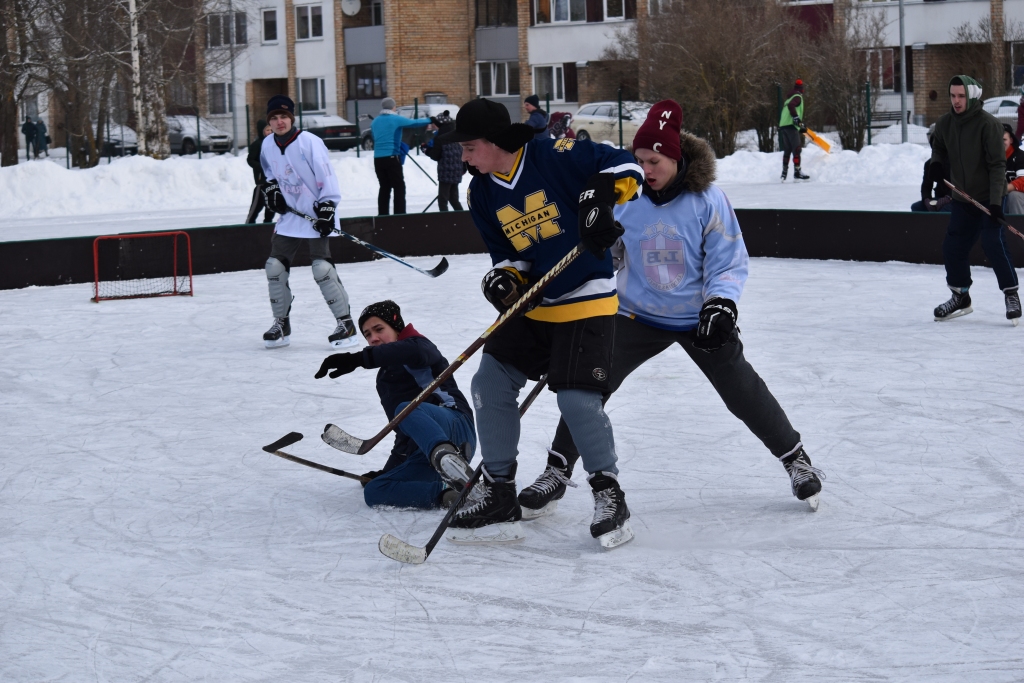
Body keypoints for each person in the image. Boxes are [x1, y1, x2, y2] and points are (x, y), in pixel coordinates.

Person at [517, 99, 826, 520]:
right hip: (633, 314)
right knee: (587, 386)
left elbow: (729, 260)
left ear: (676, 158)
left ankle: (796, 459)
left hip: (698, 318)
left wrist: (721, 305)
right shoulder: (628, 196)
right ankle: (556, 469)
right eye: (640, 159)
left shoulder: (708, 200)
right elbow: (611, 256)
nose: (646, 169)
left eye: (655, 160)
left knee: (741, 389)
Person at [434, 97, 644, 548]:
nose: (465, 158)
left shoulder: (555, 154)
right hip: (534, 304)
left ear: (494, 142)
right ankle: (499, 491)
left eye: (469, 148)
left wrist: (600, 201)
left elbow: (627, 167)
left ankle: (610, 494)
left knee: (576, 400)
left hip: (587, 298)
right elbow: (509, 257)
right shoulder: (481, 192)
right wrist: (504, 281)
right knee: (489, 385)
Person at [314, 301, 476, 509]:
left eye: (379, 329)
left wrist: (359, 359)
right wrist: (389, 472)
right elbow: (403, 431)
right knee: (375, 491)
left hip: (455, 425)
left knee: (405, 409)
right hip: (425, 451)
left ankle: (446, 458)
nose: (373, 338)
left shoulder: (418, 346)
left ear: (396, 326)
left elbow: (411, 352)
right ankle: (451, 495)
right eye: (367, 335)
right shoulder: (385, 379)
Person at [258, 95, 360, 349]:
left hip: (318, 215)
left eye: (284, 117)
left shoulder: (310, 142)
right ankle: (281, 324)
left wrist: (327, 209)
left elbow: (328, 177)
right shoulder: (267, 145)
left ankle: (345, 324)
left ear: (291, 118)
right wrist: (273, 194)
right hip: (291, 216)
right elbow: (269, 176)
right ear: (269, 121)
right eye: (274, 117)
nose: (279, 122)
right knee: (274, 267)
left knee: (321, 269)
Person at [929, 75, 1021, 325]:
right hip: (962, 198)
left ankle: (1011, 293)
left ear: (971, 97)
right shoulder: (946, 123)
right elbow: (939, 147)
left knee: (992, 241)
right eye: (953, 96)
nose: (956, 101)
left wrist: (994, 203)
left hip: (989, 195)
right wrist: (937, 164)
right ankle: (960, 296)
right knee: (953, 246)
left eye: (961, 96)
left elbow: (996, 165)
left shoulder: (988, 124)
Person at [371, 97, 431, 215]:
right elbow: (414, 123)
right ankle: (399, 215)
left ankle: (382, 215)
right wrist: (431, 119)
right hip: (392, 157)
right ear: (393, 107)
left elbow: (374, 137)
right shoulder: (395, 119)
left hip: (378, 159)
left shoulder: (375, 121)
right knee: (399, 187)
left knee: (384, 187)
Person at [911, 125, 952, 213]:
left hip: (957, 200)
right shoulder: (930, 163)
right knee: (916, 207)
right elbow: (926, 186)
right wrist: (926, 199)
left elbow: (963, 186)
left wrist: (948, 198)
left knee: (943, 211)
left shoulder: (957, 162)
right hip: (939, 198)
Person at [430, 111, 465, 211]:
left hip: (446, 173)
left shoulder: (440, 138)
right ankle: (461, 219)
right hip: (457, 171)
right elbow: (463, 152)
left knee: (443, 199)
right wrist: (464, 168)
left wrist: (426, 150)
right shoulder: (456, 135)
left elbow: (435, 156)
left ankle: (445, 221)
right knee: (454, 199)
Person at [779, 79, 809, 182]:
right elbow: (792, 106)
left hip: (784, 126)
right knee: (797, 149)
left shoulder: (788, 99)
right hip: (791, 126)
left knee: (787, 150)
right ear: (801, 89)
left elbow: (787, 110)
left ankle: (784, 173)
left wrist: (800, 125)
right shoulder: (797, 97)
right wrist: (796, 118)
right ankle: (797, 172)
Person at [245, 120, 275, 224]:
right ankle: (249, 223)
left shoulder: (275, 143)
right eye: (267, 130)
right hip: (262, 180)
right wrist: (261, 167)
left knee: (272, 204)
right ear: (261, 131)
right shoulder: (257, 144)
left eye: (271, 130)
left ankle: (268, 223)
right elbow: (250, 160)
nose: (270, 132)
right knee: (257, 204)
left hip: (274, 181)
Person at [1001, 123, 1024, 215]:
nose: (1000, 142)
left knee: (1014, 196)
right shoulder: (988, 157)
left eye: (1004, 139)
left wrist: (1004, 189)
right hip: (998, 198)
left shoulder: (1020, 156)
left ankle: (1018, 227)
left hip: (1018, 198)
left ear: (1011, 140)